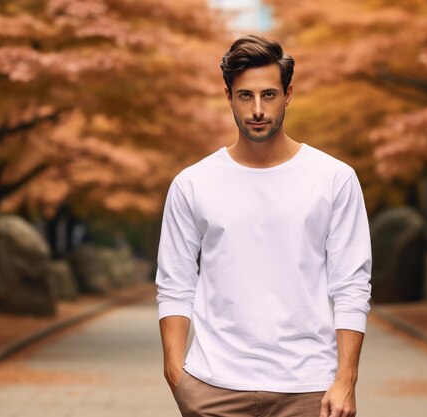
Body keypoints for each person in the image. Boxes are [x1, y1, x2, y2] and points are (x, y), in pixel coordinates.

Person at [155, 34, 372, 417]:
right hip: (213, 388)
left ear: (288, 94)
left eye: (269, 95)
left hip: (310, 390)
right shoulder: (192, 183)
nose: (257, 109)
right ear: (228, 96)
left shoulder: (334, 178)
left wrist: (346, 380)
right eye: (245, 96)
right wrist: (177, 375)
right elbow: (175, 283)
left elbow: (351, 285)